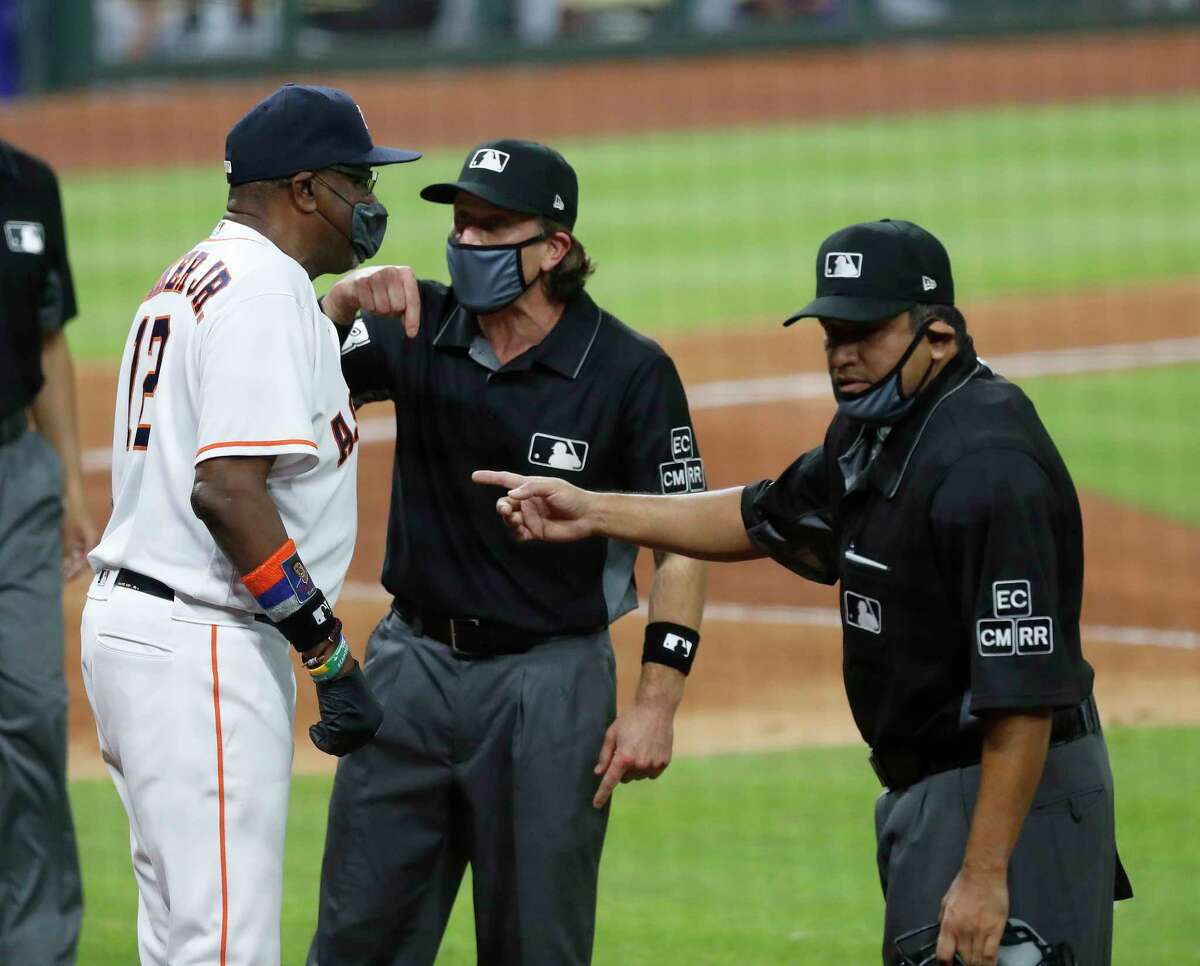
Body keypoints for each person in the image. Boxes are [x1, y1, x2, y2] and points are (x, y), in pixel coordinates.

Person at [475, 219, 1132, 966]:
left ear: (939, 337)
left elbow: (1022, 695)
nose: (842, 357)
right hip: (932, 790)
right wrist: (593, 509)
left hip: (1007, 802)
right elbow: (759, 514)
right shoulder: (872, 432)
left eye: (866, 333)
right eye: (831, 333)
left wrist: (984, 876)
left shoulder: (988, 466)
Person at [308, 138, 708, 965]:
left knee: (537, 946)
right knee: (356, 939)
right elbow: (278, 381)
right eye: (461, 226)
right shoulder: (415, 323)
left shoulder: (629, 371)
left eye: (493, 228)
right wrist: (340, 305)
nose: (467, 244)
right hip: (408, 670)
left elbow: (684, 541)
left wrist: (656, 705)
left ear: (554, 247)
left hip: (551, 688)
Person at [80, 84, 419, 965]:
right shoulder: (264, 291)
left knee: (185, 941)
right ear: (304, 190)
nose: (370, 203)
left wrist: (329, 318)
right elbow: (229, 492)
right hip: (204, 645)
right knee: (224, 948)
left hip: (146, 634)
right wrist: (327, 651)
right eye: (356, 180)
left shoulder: (199, 272)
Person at [0, 138, 93, 965]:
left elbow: (50, 340)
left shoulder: (31, 182)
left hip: (13, 477)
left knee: (31, 710)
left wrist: (68, 481)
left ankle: (34, 947)